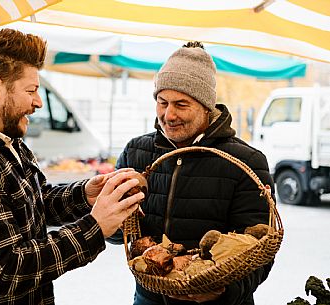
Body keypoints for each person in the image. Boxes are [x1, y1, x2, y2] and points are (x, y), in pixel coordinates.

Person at [0, 28, 144, 305]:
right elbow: (6, 272)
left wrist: (85, 195)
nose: (38, 101)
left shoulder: (0, 136)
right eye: (31, 90)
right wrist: (95, 227)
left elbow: (29, 204)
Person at [115, 42, 275, 305]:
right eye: (162, 102)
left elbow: (260, 250)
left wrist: (225, 292)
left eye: (181, 104)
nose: (169, 115)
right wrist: (116, 212)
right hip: (149, 298)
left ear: (206, 107)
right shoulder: (137, 152)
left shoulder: (246, 162)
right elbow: (118, 235)